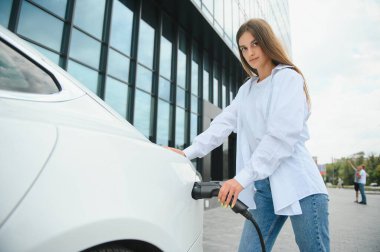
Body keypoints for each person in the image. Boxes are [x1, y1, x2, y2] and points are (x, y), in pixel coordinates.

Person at [167, 18, 329, 251]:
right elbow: (221, 125)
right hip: (264, 188)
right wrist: (186, 153)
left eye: (255, 44)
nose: (250, 53)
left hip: (299, 185)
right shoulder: (247, 89)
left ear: (267, 43)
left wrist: (240, 179)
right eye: (244, 48)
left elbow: (280, 137)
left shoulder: (288, 78)